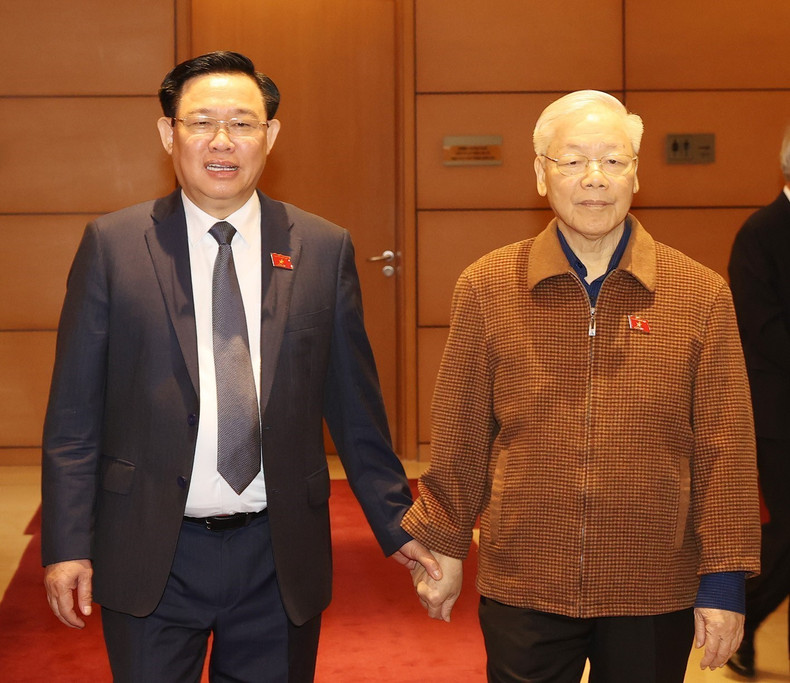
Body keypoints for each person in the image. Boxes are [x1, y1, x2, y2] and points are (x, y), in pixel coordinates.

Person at [41, 50, 440, 683]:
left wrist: (399, 523)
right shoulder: (113, 246)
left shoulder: (321, 247)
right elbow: (73, 416)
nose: (221, 141)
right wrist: (65, 546)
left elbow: (356, 410)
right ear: (168, 133)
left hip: (277, 554)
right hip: (149, 549)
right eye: (201, 122)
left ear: (271, 136)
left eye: (243, 123)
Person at [402, 90, 761, 683]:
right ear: (541, 175)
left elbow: (727, 449)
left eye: (614, 161)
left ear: (637, 174)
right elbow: (461, 429)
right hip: (525, 578)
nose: (595, 178)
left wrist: (724, 581)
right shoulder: (488, 286)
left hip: (653, 583)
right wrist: (443, 540)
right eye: (573, 161)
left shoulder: (699, 293)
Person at [726, 125, 790, 678]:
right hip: (780, 415)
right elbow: (762, 329)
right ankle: (739, 612)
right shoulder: (762, 233)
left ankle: (743, 619)